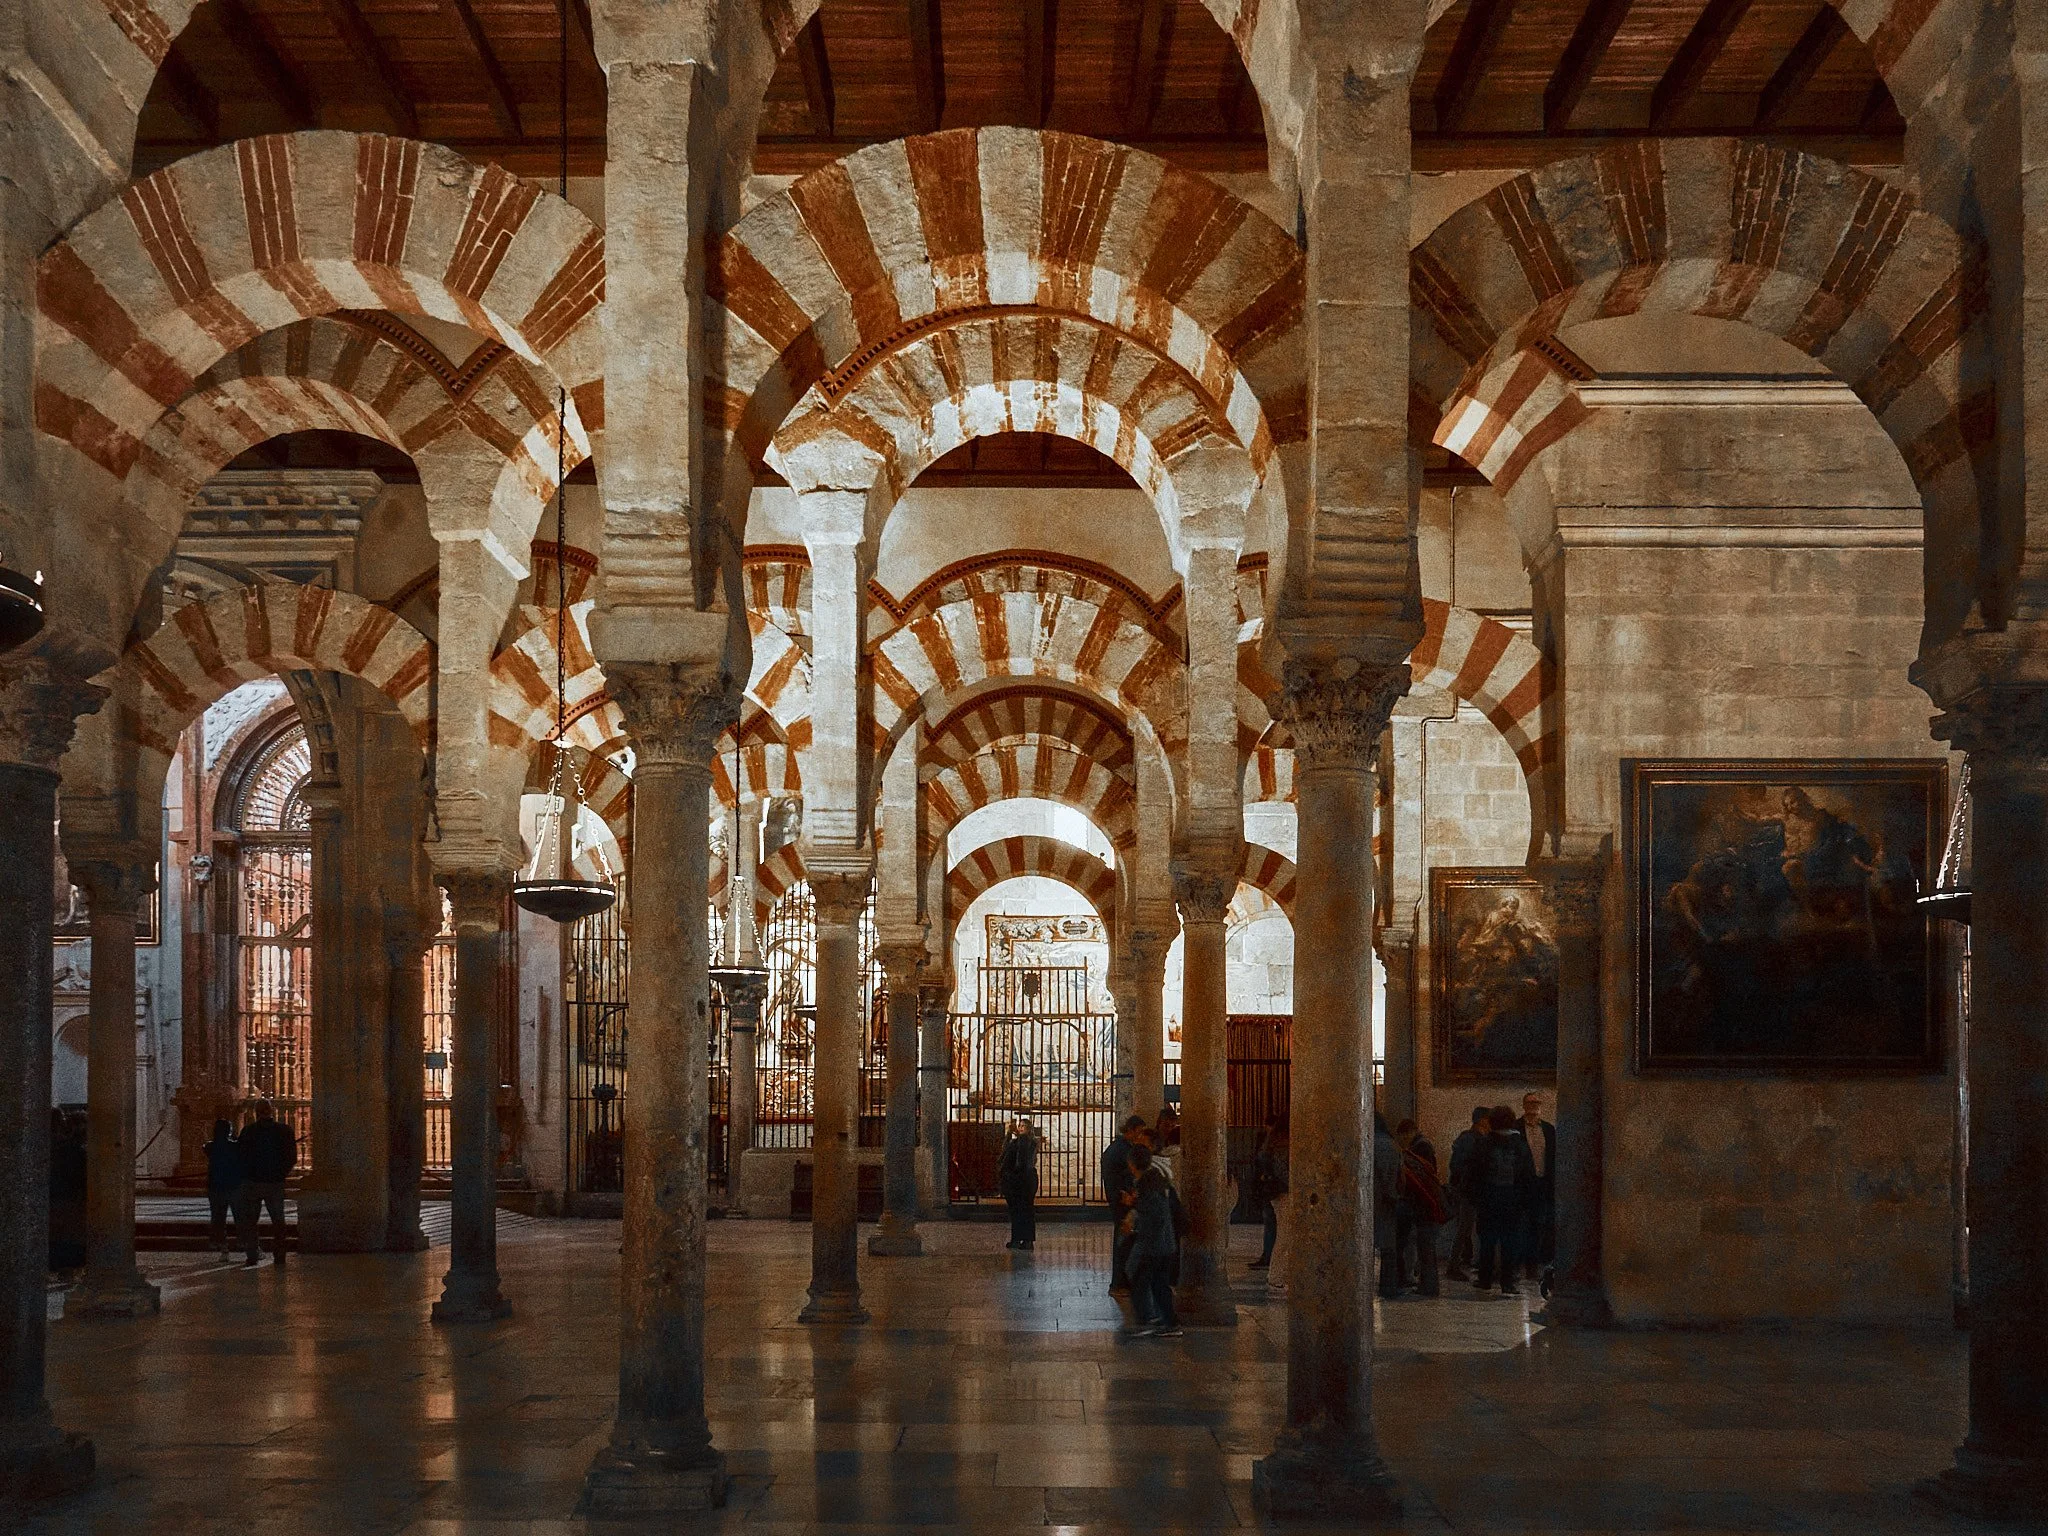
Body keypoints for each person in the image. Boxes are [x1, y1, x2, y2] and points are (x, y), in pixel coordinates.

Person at [1473, 1105, 1535, 1296]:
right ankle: (1508, 1281)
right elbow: (1528, 1175)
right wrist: (1526, 1200)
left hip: (1489, 1199)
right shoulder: (1520, 1145)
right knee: (1511, 1242)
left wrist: (1476, 1197)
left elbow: (1475, 1173)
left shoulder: (1484, 1144)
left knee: (1487, 1240)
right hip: (1513, 1200)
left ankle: (1485, 1279)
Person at [1123, 1142, 1184, 1338]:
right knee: (1157, 1283)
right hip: (1162, 1243)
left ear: (1132, 1164)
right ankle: (1166, 1320)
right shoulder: (1155, 1179)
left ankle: (1149, 1320)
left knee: (1140, 1278)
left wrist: (1134, 1205)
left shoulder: (1148, 1183)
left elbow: (1155, 1213)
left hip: (1154, 1244)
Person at [237, 1100, 297, 1268]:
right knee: (278, 1221)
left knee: (251, 1221)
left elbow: (240, 1156)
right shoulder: (284, 1131)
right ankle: (279, 1255)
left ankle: (252, 1254)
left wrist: (247, 1174)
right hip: (274, 1183)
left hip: (253, 1182)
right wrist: (280, 1174)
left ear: (256, 1112)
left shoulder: (248, 1131)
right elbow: (291, 1157)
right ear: (272, 1111)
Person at [1393, 1119, 1447, 1298]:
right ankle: (1428, 1285)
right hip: (1428, 1204)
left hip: (1424, 1205)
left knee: (1426, 1248)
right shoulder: (1424, 1145)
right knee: (1426, 1247)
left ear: (1409, 1132)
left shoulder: (1419, 1148)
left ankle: (1429, 1286)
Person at [1101, 1114, 1147, 1296]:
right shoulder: (1123, 1150)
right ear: (1131, 1130)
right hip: (1122, 1201)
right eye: (1139, 1131)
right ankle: (1119, 1284)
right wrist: (1127, 1192)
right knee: (1123, 1243)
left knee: (1124, 1241)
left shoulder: (1117, 1147)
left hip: (1118, 1199)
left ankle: (1123, 1283)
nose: (1141, 1136)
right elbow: (1123, 1176)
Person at [1446, 1105, 1489, 1281]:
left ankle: (1461, 1262)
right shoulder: (1475, 1140)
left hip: (1465, 1190)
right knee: (1465, 1228)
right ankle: (1454, 1264)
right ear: (1482, 1121)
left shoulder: (1466, 1139)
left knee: (1465, 1228)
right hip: (1470, 1191)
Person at [1518, 1091, 1556, 1283]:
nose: (1533, 1106)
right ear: (1524, 1106)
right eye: (1529, 1102)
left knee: (1543, 1225)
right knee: (1524, 1227)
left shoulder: (1549, 1130)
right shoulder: (1516, 1129)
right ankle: (1528, 1266)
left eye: (1536, 1102)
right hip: (1524, 1185)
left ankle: (1543, 1266)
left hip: (1545, 1184)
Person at [48, 1109, 87, 1280]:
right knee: (67, 1238)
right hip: (68, 1199)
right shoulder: (70, 1149)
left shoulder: (58, 1147)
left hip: (56, 1197)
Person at [1248, 1115, 1288, 1271]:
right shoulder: (1280, 1146)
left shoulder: (1268, 1143)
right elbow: (1282, 1170)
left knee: (1274, 1227)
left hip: (1271, 1190)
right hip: (1281, 1190)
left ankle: (1270, 1262)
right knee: (1283, 1232)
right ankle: (1277, 1271)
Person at [202, 1117, 245, 1259]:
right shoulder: (235, 1146)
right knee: (238, 1216)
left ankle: (222, 1246)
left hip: (216, 1186)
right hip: (233, 1185)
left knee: (218, 1218)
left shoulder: (210, 1147)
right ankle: (242, 1242)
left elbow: (206, 1148)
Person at [998, 1116, 1039, 1250]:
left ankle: (1026, 1240)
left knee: (1024, 1210)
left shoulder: (1027, 1141)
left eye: (1023, 1126)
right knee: (1017, 1211)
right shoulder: (1018, 1142)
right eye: (1019, 1125)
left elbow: (1021, 1161)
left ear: (1028, 1129)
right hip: (1019, 1179)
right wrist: (1009, 1134)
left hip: (1023, 1180)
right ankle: (1018, 1238)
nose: (1020, 1128)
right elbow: (1005, 1152)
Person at [1373, 1111, 1401, 1299]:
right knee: (1389, 1248)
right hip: (1389, 1199)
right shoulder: (1393, 1145)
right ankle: (1389, 1286)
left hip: (1371, 1200)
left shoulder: (1366, 1142)